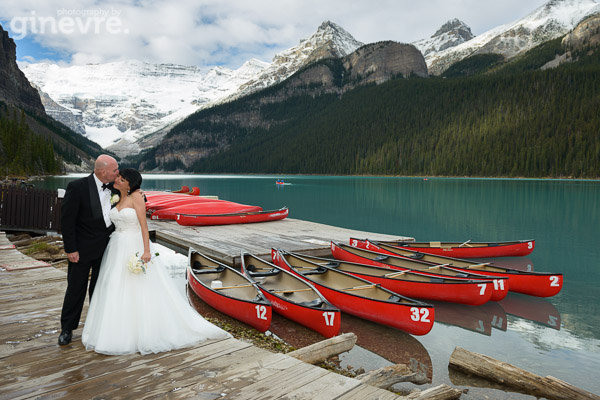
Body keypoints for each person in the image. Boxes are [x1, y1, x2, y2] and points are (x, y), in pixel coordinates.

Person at [82, 169, 229, 355]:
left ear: (130, 183)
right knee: (113, 285)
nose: (117, 179)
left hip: (133, 244)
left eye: (121, 178)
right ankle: (114, 328)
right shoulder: (115, 194)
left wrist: (146, 251)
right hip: (116, 246)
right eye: (118, 177)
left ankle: (140, 332)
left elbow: (144, 226)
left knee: (137, 287)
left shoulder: (136, 197)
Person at [59, 155, 119, 346]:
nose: (118, 173)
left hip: (107, 249)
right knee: (76, 289)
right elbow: (67, 221)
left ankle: (97, 325)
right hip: (81, 250)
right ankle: (67, 329)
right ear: (102, 171)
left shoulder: (115, 188)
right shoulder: (77, 187)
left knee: (100, 288)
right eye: (115, 170)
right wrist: (71, 249)